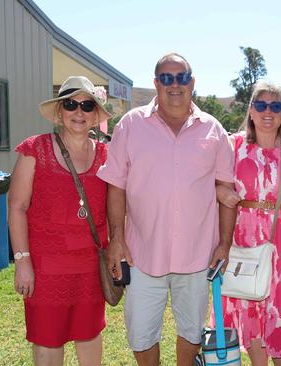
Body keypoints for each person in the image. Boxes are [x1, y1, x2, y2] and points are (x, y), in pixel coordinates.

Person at [96, 53, 236, 366]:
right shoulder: (131, 125)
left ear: (193, 83)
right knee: (142, 334)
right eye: (167, 78)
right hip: (142, 252)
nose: (175, 84)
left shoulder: (213, 131)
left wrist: (224, 244)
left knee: (192, 330)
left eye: (182, 77)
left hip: (197, 254)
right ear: (157, 84)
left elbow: (227, 192)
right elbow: (115, 185)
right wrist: (116, 239)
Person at [8, 76, 112, 365]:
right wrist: (22, 261)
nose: (79, 112)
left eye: (87, 105)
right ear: (59, 111)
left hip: (91, 268)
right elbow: (16, 206)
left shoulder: (108, 155)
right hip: (45, 269)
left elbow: (120, 208)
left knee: (90, 335)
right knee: (47, 340)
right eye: (70, 104)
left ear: (95, 115)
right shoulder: (35, 149)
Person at [215, 82, 281, 365]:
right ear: (250, 111)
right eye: (260, 105)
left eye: (275, 106)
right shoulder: (233, 145)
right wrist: (221, 191)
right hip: (242, 238)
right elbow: (213, 183)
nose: (267, 111)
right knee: (249, 304)